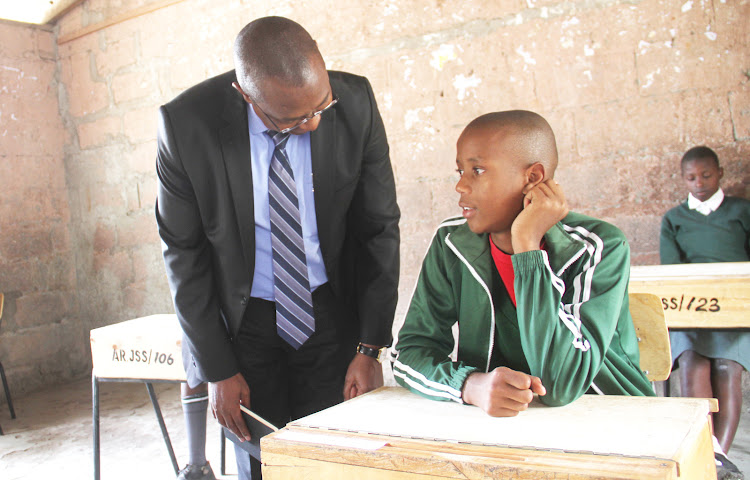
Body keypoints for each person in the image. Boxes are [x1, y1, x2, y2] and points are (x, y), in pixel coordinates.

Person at [156, 16, 400, 480]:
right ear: (246, 95)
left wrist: (370, 347)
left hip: (329, 312)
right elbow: (183, 255)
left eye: (319, 108)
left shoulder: (356, 103)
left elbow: (379, 229)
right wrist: (217, 368)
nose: (311, 124)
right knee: (263, 461)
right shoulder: (187, 127)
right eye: (292, 119)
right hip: (242, 324)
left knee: (335, 458)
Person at [391, 110, 654, 417]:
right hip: (508, 423)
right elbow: (409, 353)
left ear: (532, 178)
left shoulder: (598, 246)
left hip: (612, 418)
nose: (460, 186)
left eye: (477, 171)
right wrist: (470, 385)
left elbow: (559, 385)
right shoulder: (451, 243)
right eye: (459, 171)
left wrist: (527, 248)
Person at [660, 145, 749, 480]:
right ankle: (707, 449)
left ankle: (718, 457)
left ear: (720, 173)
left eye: (706, 175)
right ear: (683, 179)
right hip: (691, 308)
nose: (699, 182)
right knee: (691, 366)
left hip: (735, 307)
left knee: (728, 367)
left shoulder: (742, 210)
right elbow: (672, 271)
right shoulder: (674, 218)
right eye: (691, 177)